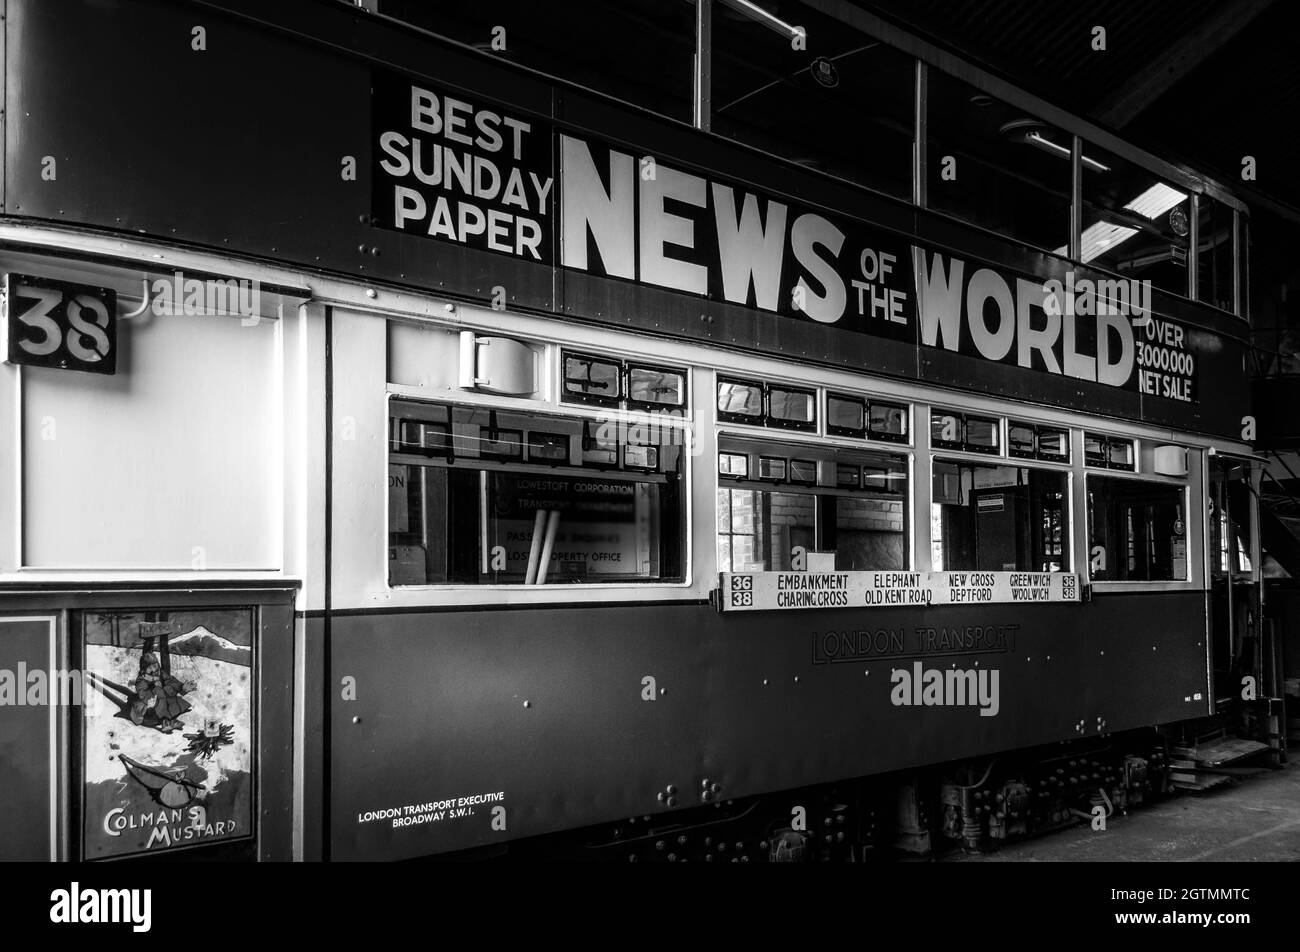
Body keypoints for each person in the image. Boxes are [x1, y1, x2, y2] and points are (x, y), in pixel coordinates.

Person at [130, 637, 196, 733]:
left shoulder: (160, 673)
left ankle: (167, 721)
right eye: (151, 668)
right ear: (144, 669)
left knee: (173, 700)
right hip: (147, 713)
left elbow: (171, 681)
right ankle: (167, 722)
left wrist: (182, 688)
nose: (155, 671)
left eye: (156, 667)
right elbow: (145, 696)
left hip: (161, 707)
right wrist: (156, 687)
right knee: (161, 696)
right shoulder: (141, 681)